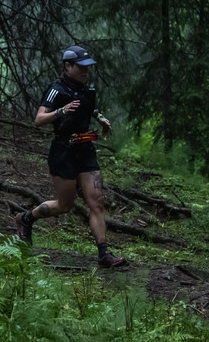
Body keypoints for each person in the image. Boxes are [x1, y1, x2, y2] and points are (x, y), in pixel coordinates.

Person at [14, 45, 127, 268]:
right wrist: (61, 111)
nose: (86, 71)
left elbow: (89, 108)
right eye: (81, 67)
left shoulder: (85, 89)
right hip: (63, 151)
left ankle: (104, 254)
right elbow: (39, 119)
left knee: (97, 202)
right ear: (68, 66)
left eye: (89, 67)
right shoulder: (56, 89)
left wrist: (101, 117)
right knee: (65, 205)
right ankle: (26, 218)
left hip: (85, 150)